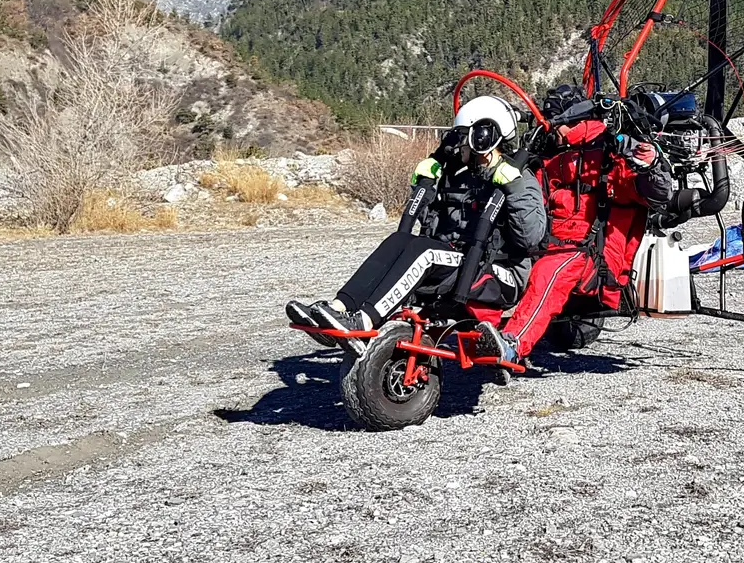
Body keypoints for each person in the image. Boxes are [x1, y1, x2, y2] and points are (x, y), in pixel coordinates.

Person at [287, 95, 546, 338]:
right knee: (398, 241)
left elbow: (531, 238)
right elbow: (430, 224)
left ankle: (365, 320)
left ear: (483, 137)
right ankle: (339, 307)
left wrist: (514, 189)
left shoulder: (519, 179)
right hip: (459, 261)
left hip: (499, 274)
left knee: (426, 252)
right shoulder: (462, 176)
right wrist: (426, 185)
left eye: (463, 138)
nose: (457, 146)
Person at [478, 84, 673, 363]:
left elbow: (655, 195)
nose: (549, 131)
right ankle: (475, 329)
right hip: (548, 246)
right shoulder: (552, 159)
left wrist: (651, 166)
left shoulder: (609, 156)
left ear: (568, 120)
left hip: (589, 254)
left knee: (549, 273)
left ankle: (512, 345)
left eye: (553, 123)